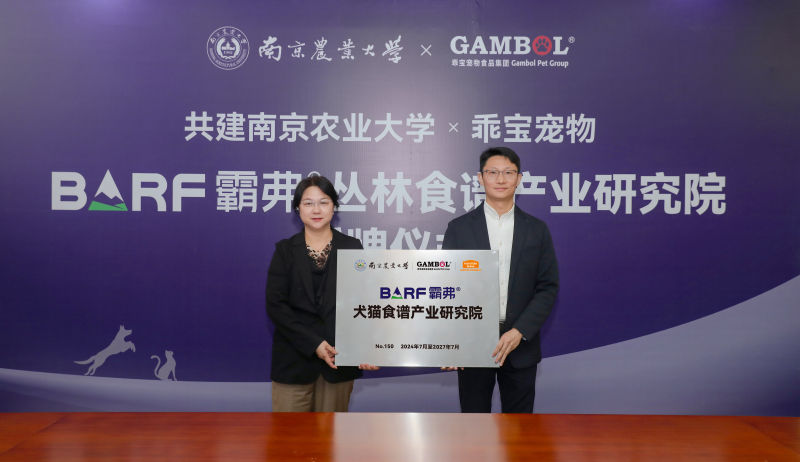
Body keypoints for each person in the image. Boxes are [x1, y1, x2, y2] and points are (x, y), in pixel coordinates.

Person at [442, 147, 559, 413]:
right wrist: (453, 340)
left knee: (519, 428)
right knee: (474, 425)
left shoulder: (536, 229)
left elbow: (547, 287)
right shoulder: (459, 228)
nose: (501, 179)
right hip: (472, 344)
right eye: (493, 172)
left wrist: (520, 331)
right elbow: (448, 286)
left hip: (520, 345)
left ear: (519, 179)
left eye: (508, 172)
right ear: (480, 178)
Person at [266, 174, 377, 412]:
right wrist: (314, 343)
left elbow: (363, 302)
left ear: (334, 206)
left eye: (323, 202)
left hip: (339, 360)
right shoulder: (285, 251)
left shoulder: (352, 247)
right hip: (293, 361)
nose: (316, 210)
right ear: (298, 209)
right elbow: (276, 306)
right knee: (289, 434)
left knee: (332, 434)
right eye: (308, 203)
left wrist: (366, 347)